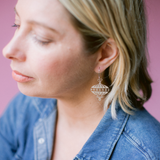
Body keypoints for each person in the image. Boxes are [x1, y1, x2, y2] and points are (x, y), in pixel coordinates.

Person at [1, 0, 160, 159]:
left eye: (42, 38)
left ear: (104, 54)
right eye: (17, 24)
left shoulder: (144, 153)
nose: (8, 50)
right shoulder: (24, 108)